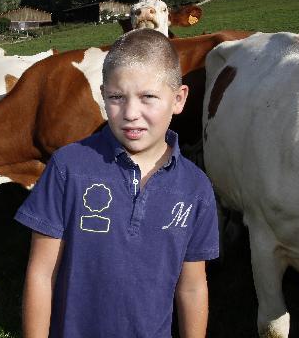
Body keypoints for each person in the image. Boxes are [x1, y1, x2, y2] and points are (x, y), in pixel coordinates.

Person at [14, 28, 219, 338]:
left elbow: (191, 286)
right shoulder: (68, 167)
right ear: (102, 96)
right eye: (117, 98)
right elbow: (42, 273)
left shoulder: (196, 188)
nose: (131, 114)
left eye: (148, 97)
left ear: (179, 99)